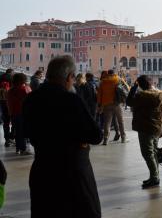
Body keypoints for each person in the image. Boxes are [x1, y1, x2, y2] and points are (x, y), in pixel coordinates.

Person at [22, 55, 103, 218]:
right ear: (69, 77)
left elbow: (26, 131)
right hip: (72, 174)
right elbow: (96, 136)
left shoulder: (31, 99)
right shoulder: (71, 100)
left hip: (43, 170)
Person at [126, 75, 162, 189]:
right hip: (156, 127)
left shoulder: (141, 96)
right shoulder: (160, 94)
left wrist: (133, 88)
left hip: (145, 127)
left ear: (140, 84)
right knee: (153, 152)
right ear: (151, 82)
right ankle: (155, 176)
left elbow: (129, 102)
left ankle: (154, 178)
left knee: (147, 153)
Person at [97, 69, 127, 145]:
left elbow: (99, 95)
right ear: (114, 73)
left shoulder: (103, 82)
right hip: (117, 103)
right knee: (120, 121)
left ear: (108, 74)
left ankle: (105, 139)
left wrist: (99, 105)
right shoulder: (118, 79)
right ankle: (123, 137)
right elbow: (127, 88)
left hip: (106, 104)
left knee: (107, 122)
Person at [7, 73, 32, 155]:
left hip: (14, 113)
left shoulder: (10, 90)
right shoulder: (25, 89)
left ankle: (18, 148)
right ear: (23, 80)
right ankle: (23, 149)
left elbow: (9, 103)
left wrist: (10, 114)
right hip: (23, 113)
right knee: (23, 132)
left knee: (17, 132)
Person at [0, 69, 14, 147]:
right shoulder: (12, 78)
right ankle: (12, 137)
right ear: (11, 72)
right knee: (14, 121)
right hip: (10, 101)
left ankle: (7, 139)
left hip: (2, 100)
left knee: (6, 121)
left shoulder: (1, 77)